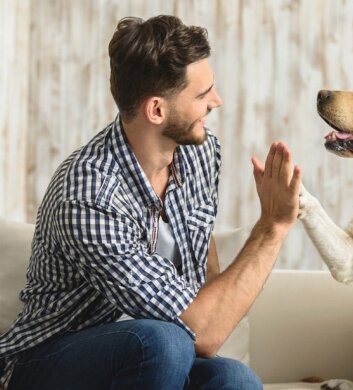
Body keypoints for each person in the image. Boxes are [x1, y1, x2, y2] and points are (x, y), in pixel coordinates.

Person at [0, 15, 301, 389]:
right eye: (202, 94)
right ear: (156, 110)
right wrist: (272, 226)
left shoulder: (200, 155)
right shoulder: (88, 192)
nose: (216, 102)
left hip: (155, 358)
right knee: (162, 342)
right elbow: (201, 332)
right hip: (49, 361)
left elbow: (205, 293)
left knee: (234, 379)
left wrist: (206, 321)